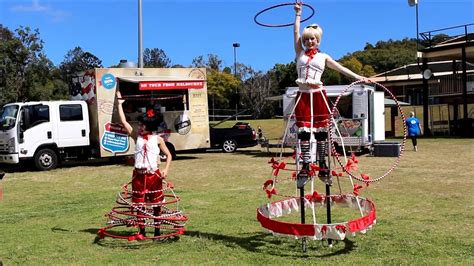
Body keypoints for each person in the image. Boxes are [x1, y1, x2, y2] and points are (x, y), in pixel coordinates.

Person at [293, 2, 369, 180]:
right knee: (304, 132)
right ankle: (305, 165)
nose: (308, 42)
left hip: (318, 95)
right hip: (303, 96)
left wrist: (359, 77)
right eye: (306, 39)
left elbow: (342, 69)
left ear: (318, 40)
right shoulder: (299, 54)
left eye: (312, 39)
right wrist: (298, 14)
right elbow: (295, 32)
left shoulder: (323, 56)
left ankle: (322, 164)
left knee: (320, 132)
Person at [116, 90, 173, 238]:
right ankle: (141, 230)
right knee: (139, 204)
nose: (140, 127)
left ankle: (156, 229)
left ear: (150, 126)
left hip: (154, 175)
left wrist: (166, 169)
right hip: (139, 176)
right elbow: (124, 122)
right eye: (140, 125)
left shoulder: (158, 139)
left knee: (156, 204)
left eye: (143, 126)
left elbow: (168, 155)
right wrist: (119, 104)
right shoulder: (137, 137)